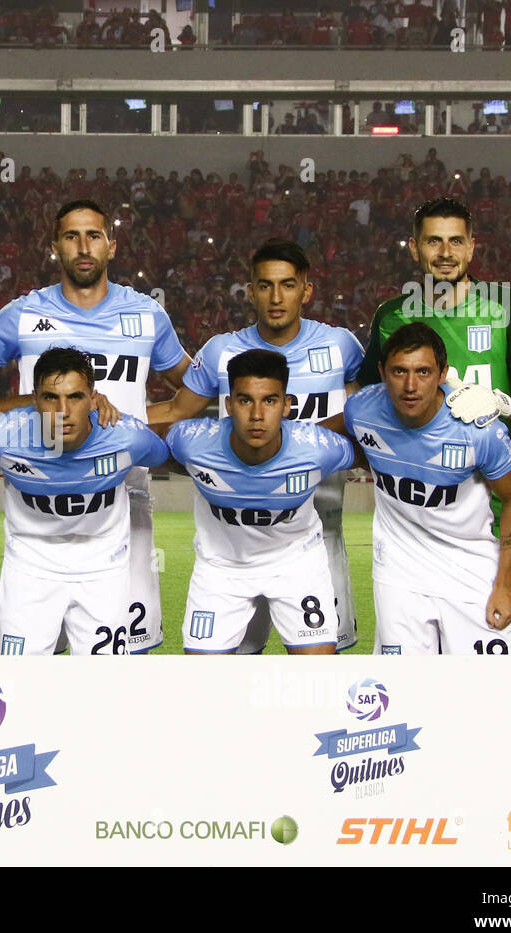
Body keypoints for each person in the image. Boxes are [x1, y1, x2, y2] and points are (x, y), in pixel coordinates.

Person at [0, 199, 191, 653]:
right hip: (40, 493)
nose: (83, 246)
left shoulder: (146, 315)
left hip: (125, 494)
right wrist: (33, 413)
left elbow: (193, 391)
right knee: (35, 651)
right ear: (54, 247)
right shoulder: (20, 315)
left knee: (120, 651)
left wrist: (136, 421)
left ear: (111, 246)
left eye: (93, 235)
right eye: (71, 236)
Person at [149, 238, 364, 652]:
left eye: (287, 285)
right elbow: (177, 412)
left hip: (318, 532)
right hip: (234, 533)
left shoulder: (340, 347)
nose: (276, 297)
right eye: (264, 285)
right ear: (251, 291)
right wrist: (104, 419)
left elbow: (374, 411)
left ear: (307, 290)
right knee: (239, 662)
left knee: (318, 664)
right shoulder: (221, 351)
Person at [360, 197, 511, 654]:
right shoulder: (392, 316)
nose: (445, 252)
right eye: (433, 241)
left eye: (455, 241)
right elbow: (366, 401)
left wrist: (499, 401)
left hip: (499, 508)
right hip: (418, 523)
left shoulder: (508, 306)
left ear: (472, 248)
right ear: (414, 249)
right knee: (415, 676)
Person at [336, 324, 511, 654]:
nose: (410, 386)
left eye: (423, 371)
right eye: (399, 371)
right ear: (382, 372)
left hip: (470, 572)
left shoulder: (478, 430)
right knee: (402, 692)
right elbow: (338, 441)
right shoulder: (361, 410)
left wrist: (504, 584)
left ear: (442, 374)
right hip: (398, 573)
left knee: (491, 694)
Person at [0, 347, 168, 655]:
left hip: (103, 569)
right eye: (51, 397)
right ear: (35, 399)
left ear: (94, 398)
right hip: (29, 569)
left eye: (75, 397)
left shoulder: (128, 437)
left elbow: (166, 458)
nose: (63, 410)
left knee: (102, 687)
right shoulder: (1, 438)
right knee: (18, 681)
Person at [162, 349, 355, 655]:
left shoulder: (320, 449)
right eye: (244, 400)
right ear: (228, 405)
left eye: (269, 400)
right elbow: (139, 444)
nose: (256, 415)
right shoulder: (191, 441)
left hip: (297, 562)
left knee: (317, 677)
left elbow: (379, 447)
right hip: (221, 567)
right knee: (200, 685)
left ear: (286, 405)